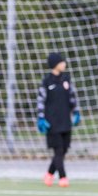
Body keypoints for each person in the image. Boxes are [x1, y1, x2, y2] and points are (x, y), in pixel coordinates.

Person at [37, 52, 80, 186]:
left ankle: (49, 174)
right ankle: (63, 177)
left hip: (65, 121)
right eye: (61, 62)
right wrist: (41, 118)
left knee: (64, 149)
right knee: (58, 150)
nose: (64, 64)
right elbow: (40, 101)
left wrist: (76, 111)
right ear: (55, 64)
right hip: (52, 122)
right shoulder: (46, 81)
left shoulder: (66, 79)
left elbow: (72, 97)